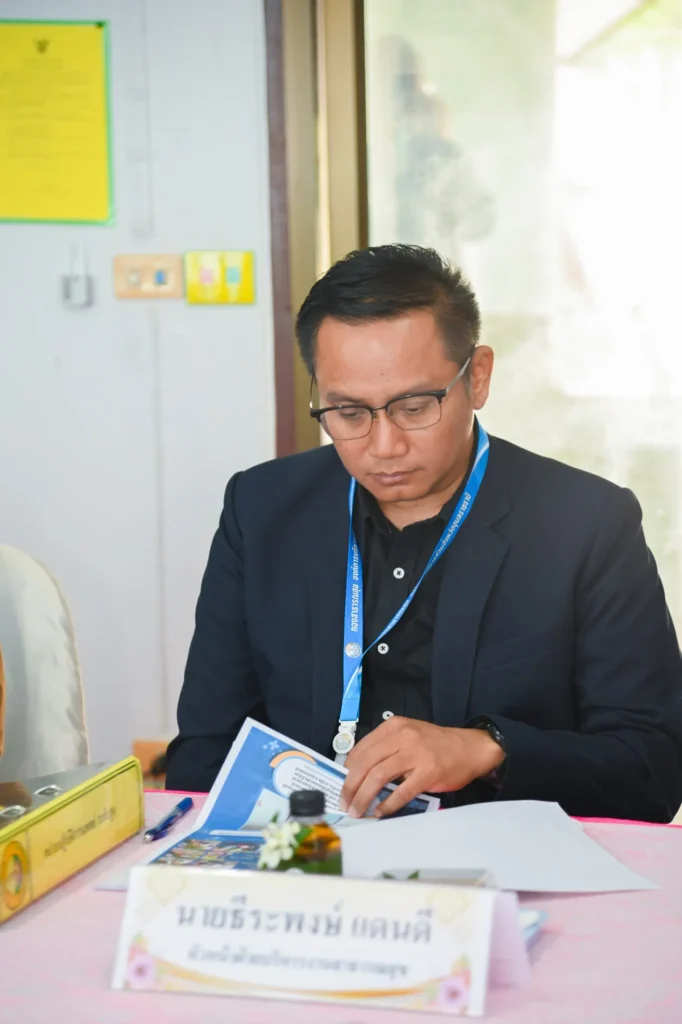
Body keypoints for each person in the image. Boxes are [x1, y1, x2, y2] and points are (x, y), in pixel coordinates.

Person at [165, 244, 682, 823]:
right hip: (307, 853)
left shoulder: (585, 524)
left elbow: (653, 769)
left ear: (477, 377)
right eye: (349, 413)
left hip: (499, 856)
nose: (384, 446)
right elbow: (205, 752)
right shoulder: (261, 510)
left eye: (413, 408)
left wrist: (491, 749)